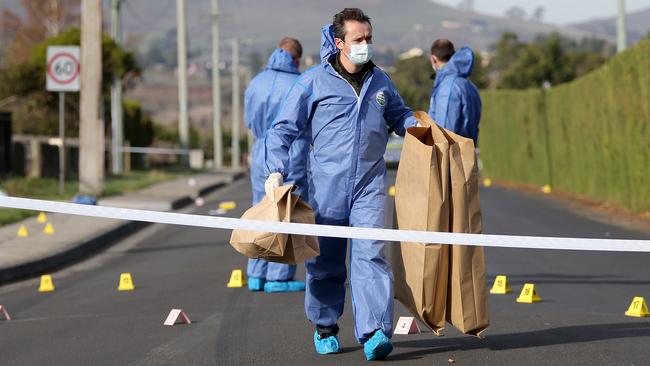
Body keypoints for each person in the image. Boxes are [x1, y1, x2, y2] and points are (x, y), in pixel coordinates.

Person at [263, 8, 417, 361]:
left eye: (368, 39)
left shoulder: (381, 81)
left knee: (371, 255)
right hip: (327, 186)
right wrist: (276, 170)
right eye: (358, 39)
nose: (365, 45)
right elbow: (283, 128)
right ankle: (325, 326)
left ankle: (375, 331)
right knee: (326, 260)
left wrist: (416, 126)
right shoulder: (313, 82)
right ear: (339, 43)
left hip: (370, 183)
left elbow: (398, 115)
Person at [244, 37, 308, 293]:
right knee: (286, 213)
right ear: (297, 59)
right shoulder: (299, 84)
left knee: (260, 209)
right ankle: (279, 276)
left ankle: (255, 273)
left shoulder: (255, 82)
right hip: (290, 151)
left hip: (260, 149)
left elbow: (249, 120)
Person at [428, 39, 482, 143]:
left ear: (433, 59)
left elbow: (444, 134)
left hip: (452, 155)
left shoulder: (448, 88)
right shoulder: (469, 85)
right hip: (467, 152)